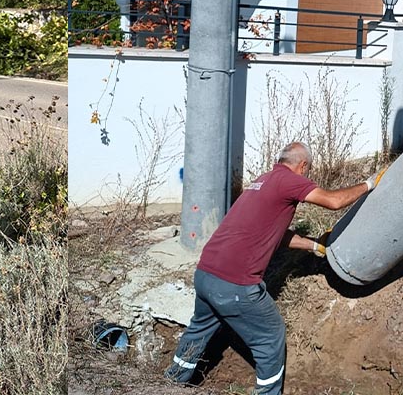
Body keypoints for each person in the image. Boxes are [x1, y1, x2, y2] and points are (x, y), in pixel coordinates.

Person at [165, 142, 386, 395]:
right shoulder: (289, 180)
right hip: (236, 284)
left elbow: (275, 233)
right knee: (270, 336)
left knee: (199, 329)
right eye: (307, 169)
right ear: (302, 165)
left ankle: (172, 382)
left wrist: (313, 246)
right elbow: (333, 201)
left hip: (206, 274)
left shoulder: (262, 182)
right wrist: (369, 184)